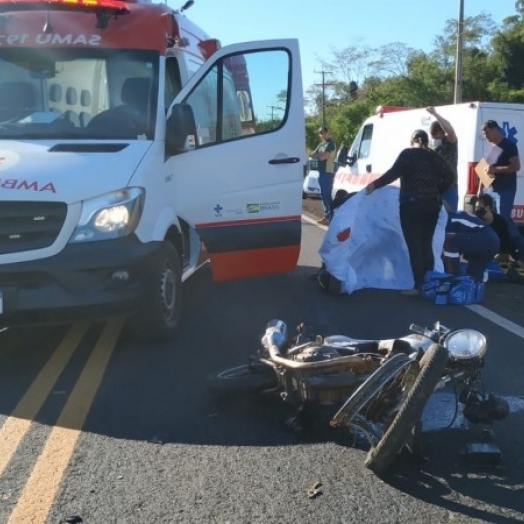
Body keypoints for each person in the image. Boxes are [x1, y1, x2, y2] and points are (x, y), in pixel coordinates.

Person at [365, 129, 455, 296]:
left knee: (415, 245)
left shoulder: (408, 154)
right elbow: (450, 176)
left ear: (412, 140)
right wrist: (438, 191)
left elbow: (393, 173)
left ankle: (418, 286)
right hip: (432, 204)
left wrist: (374, 185)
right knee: (426, 243)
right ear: (426, 141)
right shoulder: (434, 156)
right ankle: (429, 284)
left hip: (412, 204)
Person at [480, 119, 521, 239]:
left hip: (505, 189)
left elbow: (516, 166)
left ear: (495, 130)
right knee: (493, 219)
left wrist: (496, 169)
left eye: (487, 133)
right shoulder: (489, 147)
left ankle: (519, 247)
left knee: (504, 218)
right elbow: (483, 168)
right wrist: (481, 187)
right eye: (484, 134)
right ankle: (501, 247)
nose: (486, 136)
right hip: (490, 189)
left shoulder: (509, 146)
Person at [442, 210, 500, 282]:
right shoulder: (454, 215)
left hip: (485, 239)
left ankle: (452, 277)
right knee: (474, 277)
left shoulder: (446, 220)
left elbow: (446, 245)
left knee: (449, 241)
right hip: (492, 241)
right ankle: (509, 277)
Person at [472, 193, 524, 267]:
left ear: (488, 207)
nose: (477, 209)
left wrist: (515, 258)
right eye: (477, 207)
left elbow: (507, 242)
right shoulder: (476, 220)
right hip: (485, 251)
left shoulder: (500, 221)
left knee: (519, 241)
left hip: (499, 250)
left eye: (480, 206)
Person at [427, 106, 459, 211]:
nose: (435, 140)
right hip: (435, 188)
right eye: (433, 138)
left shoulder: (450, 143)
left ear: (441, 133)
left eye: (436, 137)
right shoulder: (432, 148)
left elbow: (450, 131)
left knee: (449, 217)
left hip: (450, 188)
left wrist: (435, 114)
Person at [311, 126, 336, 225]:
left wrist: (319, 155)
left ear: (328, 132)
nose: (323, 134)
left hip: (327, 172)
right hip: (321, 172)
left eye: (324, 132)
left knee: (327, 196)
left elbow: (322, 158)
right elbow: (313, 155)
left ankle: (330, 217)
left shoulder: (331, 144)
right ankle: (327, 217)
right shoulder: (321, 144)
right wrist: (319, 155)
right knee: (324, 195)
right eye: (321, 133)